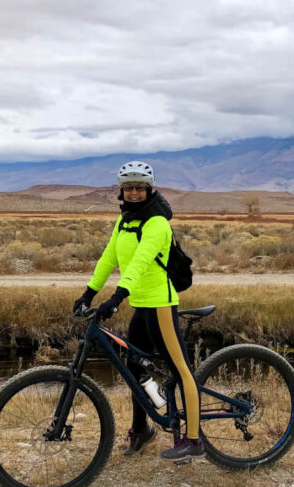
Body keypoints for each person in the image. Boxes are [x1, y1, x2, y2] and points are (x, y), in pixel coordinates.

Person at [72, 161, 203, 461]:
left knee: (182, 370)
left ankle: (194, 441)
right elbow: (110, 258)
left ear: (149, 189)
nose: (133, 193)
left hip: (160, 305)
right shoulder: (125, 221)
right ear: (121, 191)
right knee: (134, 369)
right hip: (140, 306)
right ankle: (142, 429)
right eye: (128, 188)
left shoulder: (157, 223)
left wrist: (116, 298)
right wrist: (89, 293)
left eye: (139, 188)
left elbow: (140, 263)